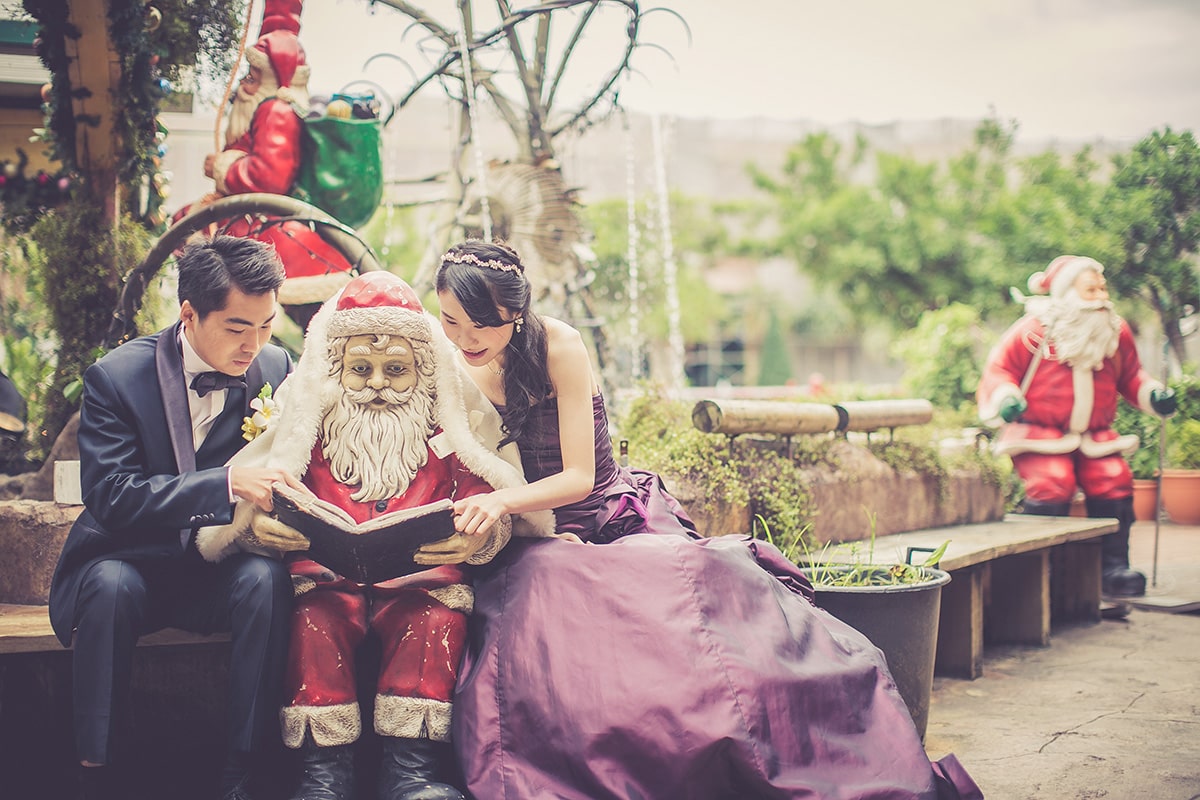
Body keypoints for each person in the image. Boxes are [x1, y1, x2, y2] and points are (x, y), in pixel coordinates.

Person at [436, 240, 981, 800]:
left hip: (605, 517)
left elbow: (578, 477)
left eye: (482, 324)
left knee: (684, 624)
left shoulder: (559, 345)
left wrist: (501, 502)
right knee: (529, 612)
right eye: (450, 320)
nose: (465, 339)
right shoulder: (448, 359)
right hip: (535, 533)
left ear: (516, 314)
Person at [195, 271, 555, 800]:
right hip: (325, 581)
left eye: (395, 370)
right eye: (361, 370)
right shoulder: (311, 426)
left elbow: (490, 495)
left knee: (434, 620)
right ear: (337, 368)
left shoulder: (447, 430)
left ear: (422, 372)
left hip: (421, 581)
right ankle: (325, 772)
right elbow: (262, 492)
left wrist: (483, 536)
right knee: (313, 624)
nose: (379, 384)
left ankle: (411, 771)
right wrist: (258, 529)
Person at [47, 236, 300, 800]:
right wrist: (226, 482)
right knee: (110, 587)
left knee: (266, 582)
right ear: (189, 314)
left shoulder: (278, 365)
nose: (254, 345)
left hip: (221, 566)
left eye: (265, 325)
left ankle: (246, 772)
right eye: (238, 329)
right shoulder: (115, 378)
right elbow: (111, 494)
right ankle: (96, 770)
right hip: (131, 560)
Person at [977, 255, 1177, 598]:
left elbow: (1131, 375)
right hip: (1042, 435)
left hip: (1095, 437)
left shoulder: (1115, 332)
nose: (1101, 296)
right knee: (1051, 482)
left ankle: (1112, 567)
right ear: (1067, 291)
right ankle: (1042, 571)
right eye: (1090, 289)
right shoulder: (1033, 330)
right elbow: (1000, 370)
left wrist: (1152, 393)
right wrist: (1006, 397)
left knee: (1113, 478)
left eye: (1102, 287)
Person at [189, 0, 354, 329]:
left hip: (266, 220)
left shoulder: (275, 110)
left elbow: (268, 179)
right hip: (259, 214)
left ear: (271, 79)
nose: (243, 87)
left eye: (252, 77)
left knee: (195, 233)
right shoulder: (263, 109)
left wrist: (223, 168)